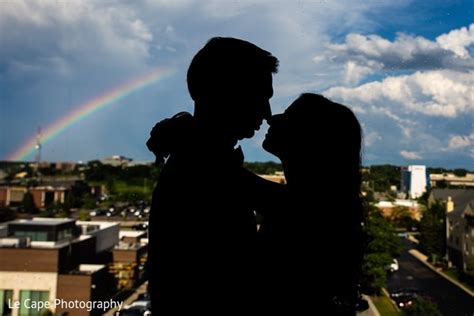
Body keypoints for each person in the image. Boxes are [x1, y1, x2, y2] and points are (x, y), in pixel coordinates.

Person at [146, 37, 281, 314]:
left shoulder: (202, 161)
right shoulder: (204, 170)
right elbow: (299, 207)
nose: (267, 113)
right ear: (224, 93)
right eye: (260, 96)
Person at [258, 93, 366, 315]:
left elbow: (225, 173)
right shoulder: (326, 207)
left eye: (288, 116)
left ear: (309, 138)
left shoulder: (303, 209)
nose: (272, 118)